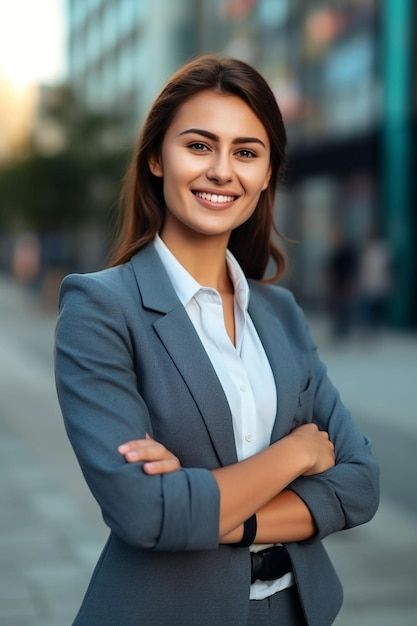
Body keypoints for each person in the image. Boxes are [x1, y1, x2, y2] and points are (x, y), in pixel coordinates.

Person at [54, 55, 379, 626]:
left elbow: (358, 485)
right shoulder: (101, 308)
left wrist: (218, 512)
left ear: (267, 173)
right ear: (157, 157)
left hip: (297, 611)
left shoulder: (279, 311)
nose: (222, 171)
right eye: (199, 146)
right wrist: (296, 454)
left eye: (246, 152)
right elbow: (144, 513)